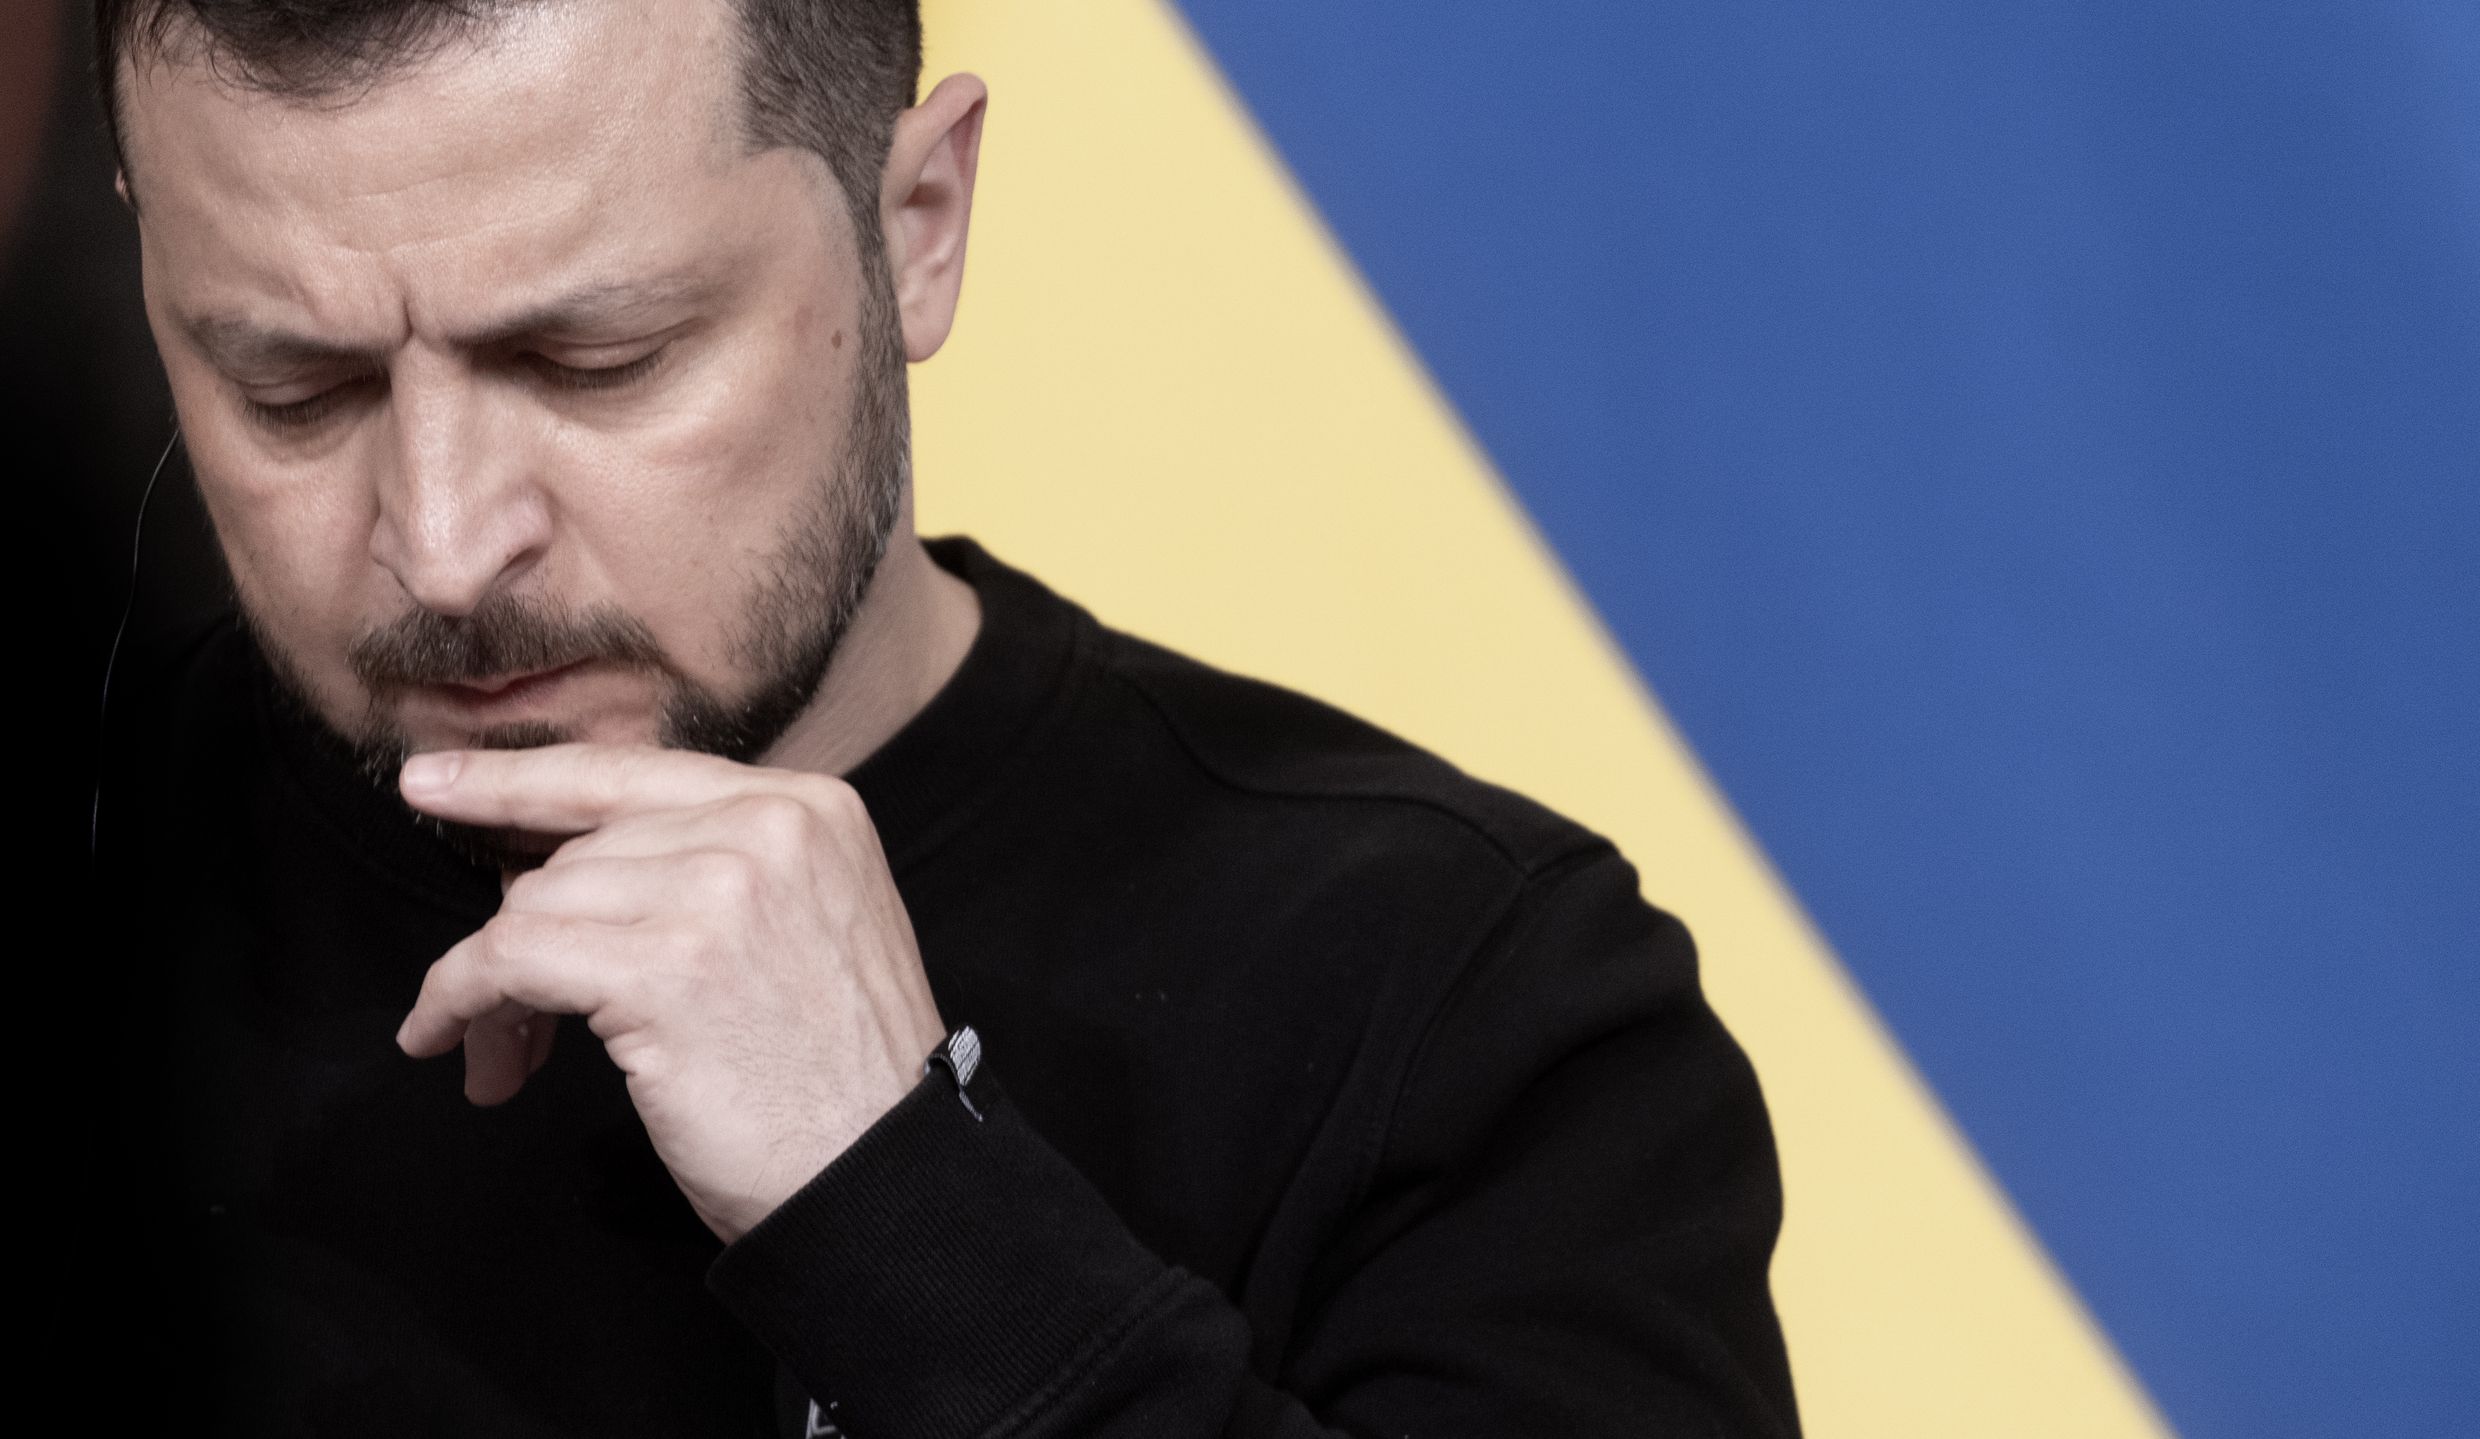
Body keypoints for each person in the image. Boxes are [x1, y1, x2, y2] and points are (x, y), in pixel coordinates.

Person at [88, 1, 1801, 1433]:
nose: (448, 543)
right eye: (291, 389)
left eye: (597, 362)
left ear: (918, 225)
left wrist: (901, 1206)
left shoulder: (1468, 1009)